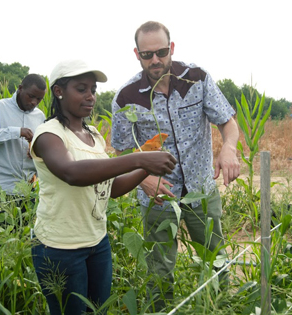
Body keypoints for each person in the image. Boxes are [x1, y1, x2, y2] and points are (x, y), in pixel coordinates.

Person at [110, 21, 241, 310]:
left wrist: (228, 148)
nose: (155, 60)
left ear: (171, 48)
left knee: (215, 257)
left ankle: (218, 307)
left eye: (160, 52)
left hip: (201, 190)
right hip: (157, 195)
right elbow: (120, 151)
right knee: (159, 269)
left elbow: (227, 122)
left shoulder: (196, 78)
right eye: (147, 55)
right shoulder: (126, 97)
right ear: (136, 54)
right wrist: (143, 180)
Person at [30, 59, 177, 315]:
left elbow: (111, 188)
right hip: (60, 248)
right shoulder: (48, 134)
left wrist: (146, 168)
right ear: (58, 91)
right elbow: (71, 173)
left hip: (97, 242)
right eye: (81, 89)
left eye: (93, 90)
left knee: (97, 311)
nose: (91, 97)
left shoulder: (94, 135)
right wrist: (139, 158)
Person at [0, 74, 47, 223]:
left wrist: (36, 152)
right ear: (20, 89)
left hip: (26, 192)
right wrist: (16, 132)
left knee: (23, 241)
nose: (33, 102)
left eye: (39, 99)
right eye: (31, 96)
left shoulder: (40, 116)